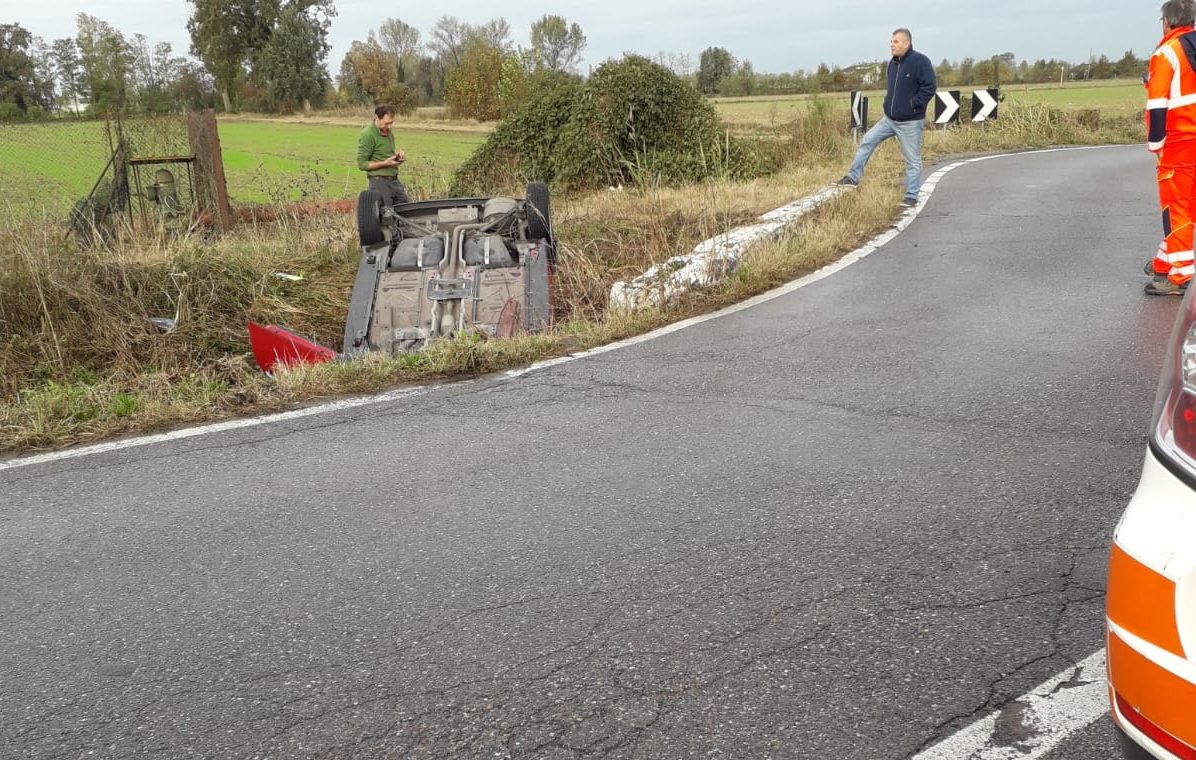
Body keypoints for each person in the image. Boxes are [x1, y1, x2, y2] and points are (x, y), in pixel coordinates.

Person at [835, 28, 936, 208]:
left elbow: (929, 87)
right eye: (891, 42)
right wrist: (887, 103)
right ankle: (852, 177)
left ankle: (911, 196)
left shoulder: (920, 61)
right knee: (867, 140)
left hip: (910, 121)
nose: (891, 45)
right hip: (889, 119)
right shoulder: (892, 64)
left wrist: (913, 104)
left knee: (912, 159)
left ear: (907, 43)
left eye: (895, 42)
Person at [1143, 0, 1196, 296]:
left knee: (1175, 208)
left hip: (1179, 141)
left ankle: (1181, 275)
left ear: (1167, 21)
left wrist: (1156, 144)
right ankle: (1164, 262)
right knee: (1189, 205)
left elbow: (1158, 104)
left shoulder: (1167, 53)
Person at [357, 104, 410, 208]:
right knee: (386, 214)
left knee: (406, 211)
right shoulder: (367, 135)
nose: (389, 127)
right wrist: (385, 163)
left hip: (394, 181)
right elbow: (362, 164)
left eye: (391, 123)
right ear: (377, 118)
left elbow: (385, 154)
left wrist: (397, 157)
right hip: (379, 183)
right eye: (387, 123)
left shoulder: (388, 132)